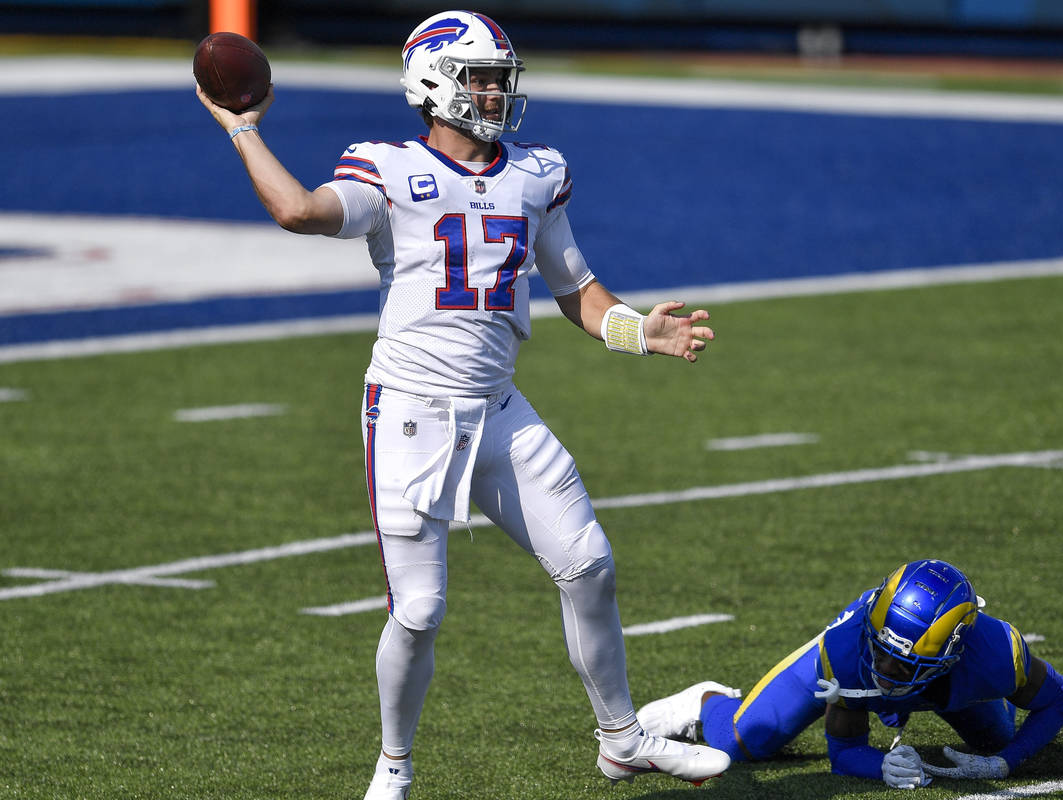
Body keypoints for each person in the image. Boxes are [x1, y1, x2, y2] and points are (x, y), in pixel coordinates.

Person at [197, 9, 729, 800]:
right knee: (417, 610)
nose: (495, 91)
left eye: (497, 77)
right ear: (436, 83)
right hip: (410, 410)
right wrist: (243, 129)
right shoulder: (386, 169)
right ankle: (393, 768)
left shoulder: (536, 172)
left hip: (500, 408)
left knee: (588, 563)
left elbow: (577, 292)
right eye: (482, 76)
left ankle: (622, 741)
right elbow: (300, 212)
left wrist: (640, 332)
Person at [638, 559, 1063, 789]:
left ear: (951, 655)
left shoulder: (998, 657)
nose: (883, 670)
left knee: (996, 741)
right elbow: (844, 751)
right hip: (843, 662)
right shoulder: (851, 650)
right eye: (880, 651)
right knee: (743, 742)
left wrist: (1007, 762)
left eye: (901, 662)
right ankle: (705, 700)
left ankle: (980, 723)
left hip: (954, 685)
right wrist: (880, 766)